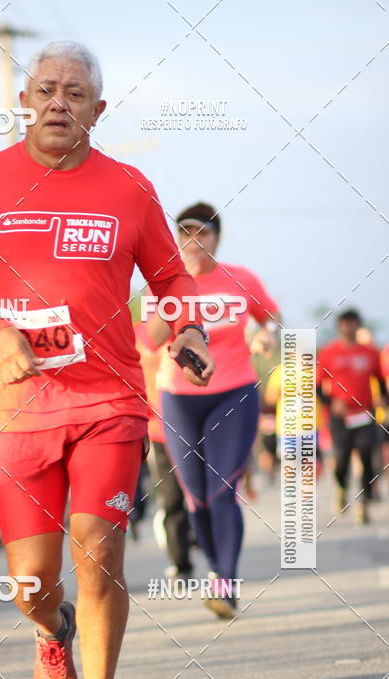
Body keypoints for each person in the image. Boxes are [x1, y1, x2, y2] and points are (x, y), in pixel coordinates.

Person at [0, 41, 214, 679]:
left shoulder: (128, 188)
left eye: (75, 92)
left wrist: (188, 327)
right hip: (20, 407)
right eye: (47, 88)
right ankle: (48, 625)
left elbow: (170, 281)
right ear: (25, 101)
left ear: (97, 109)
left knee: (100, 551)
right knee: (31, 582)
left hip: (109, 401)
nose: (59, 101)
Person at [149, 202, 282, 620]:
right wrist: (167, 322)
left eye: (201, 233)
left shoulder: (240, 279)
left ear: (216, 238)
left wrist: (264, 335)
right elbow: (149, 339)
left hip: (234, 394)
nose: (193, 241)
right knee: (196, 499)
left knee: (223, 490)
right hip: (179, 399)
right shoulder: (164, 282)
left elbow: (270, 316)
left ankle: (225, 582)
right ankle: (213, 569)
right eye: (184, 233)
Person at [135, 321, 194, 577]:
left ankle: (216, 558)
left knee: (203, 495)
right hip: (158, 431)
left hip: (195, 427)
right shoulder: (135, 333)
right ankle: (181, 563)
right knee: (171, 499)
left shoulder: (189, 327)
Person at [317, 309, 387, 523]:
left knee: (367, 456)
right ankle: (341, 488)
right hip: (340, 417)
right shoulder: (329, 353)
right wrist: (331, 403)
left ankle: (363, 504)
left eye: (352, 322)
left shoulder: (369, 352)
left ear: (357, 325)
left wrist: (384, 397)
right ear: (339, 326)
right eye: (345, 323)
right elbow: (318, 387)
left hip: (364, 413)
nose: (349, 326)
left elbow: (381, 380)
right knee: (342, 459)